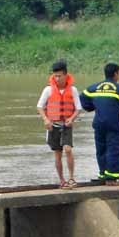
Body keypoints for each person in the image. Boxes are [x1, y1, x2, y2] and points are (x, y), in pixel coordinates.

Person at [80, 62, 119, 185]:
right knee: (113, 149)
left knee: (101, 149)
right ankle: (112, 177)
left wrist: (93, 107)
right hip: (113, 124)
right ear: (115, 74)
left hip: (98, 123)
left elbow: (82, 98)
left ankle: (102, 173)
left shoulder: (93, 88)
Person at [37, 60, 82, 189]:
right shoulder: (48, 90)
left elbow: (78, 108)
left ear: (66, 75)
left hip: (67, 125)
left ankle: (72, 178)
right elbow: (40, 106)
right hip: (53, 125)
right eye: (55, 76)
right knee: (57, 153)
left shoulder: (72, 90)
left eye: (59, 76)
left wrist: (72, 118)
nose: (57, 78)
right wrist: (46, 120)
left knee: (68, 149)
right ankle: (62, 180)